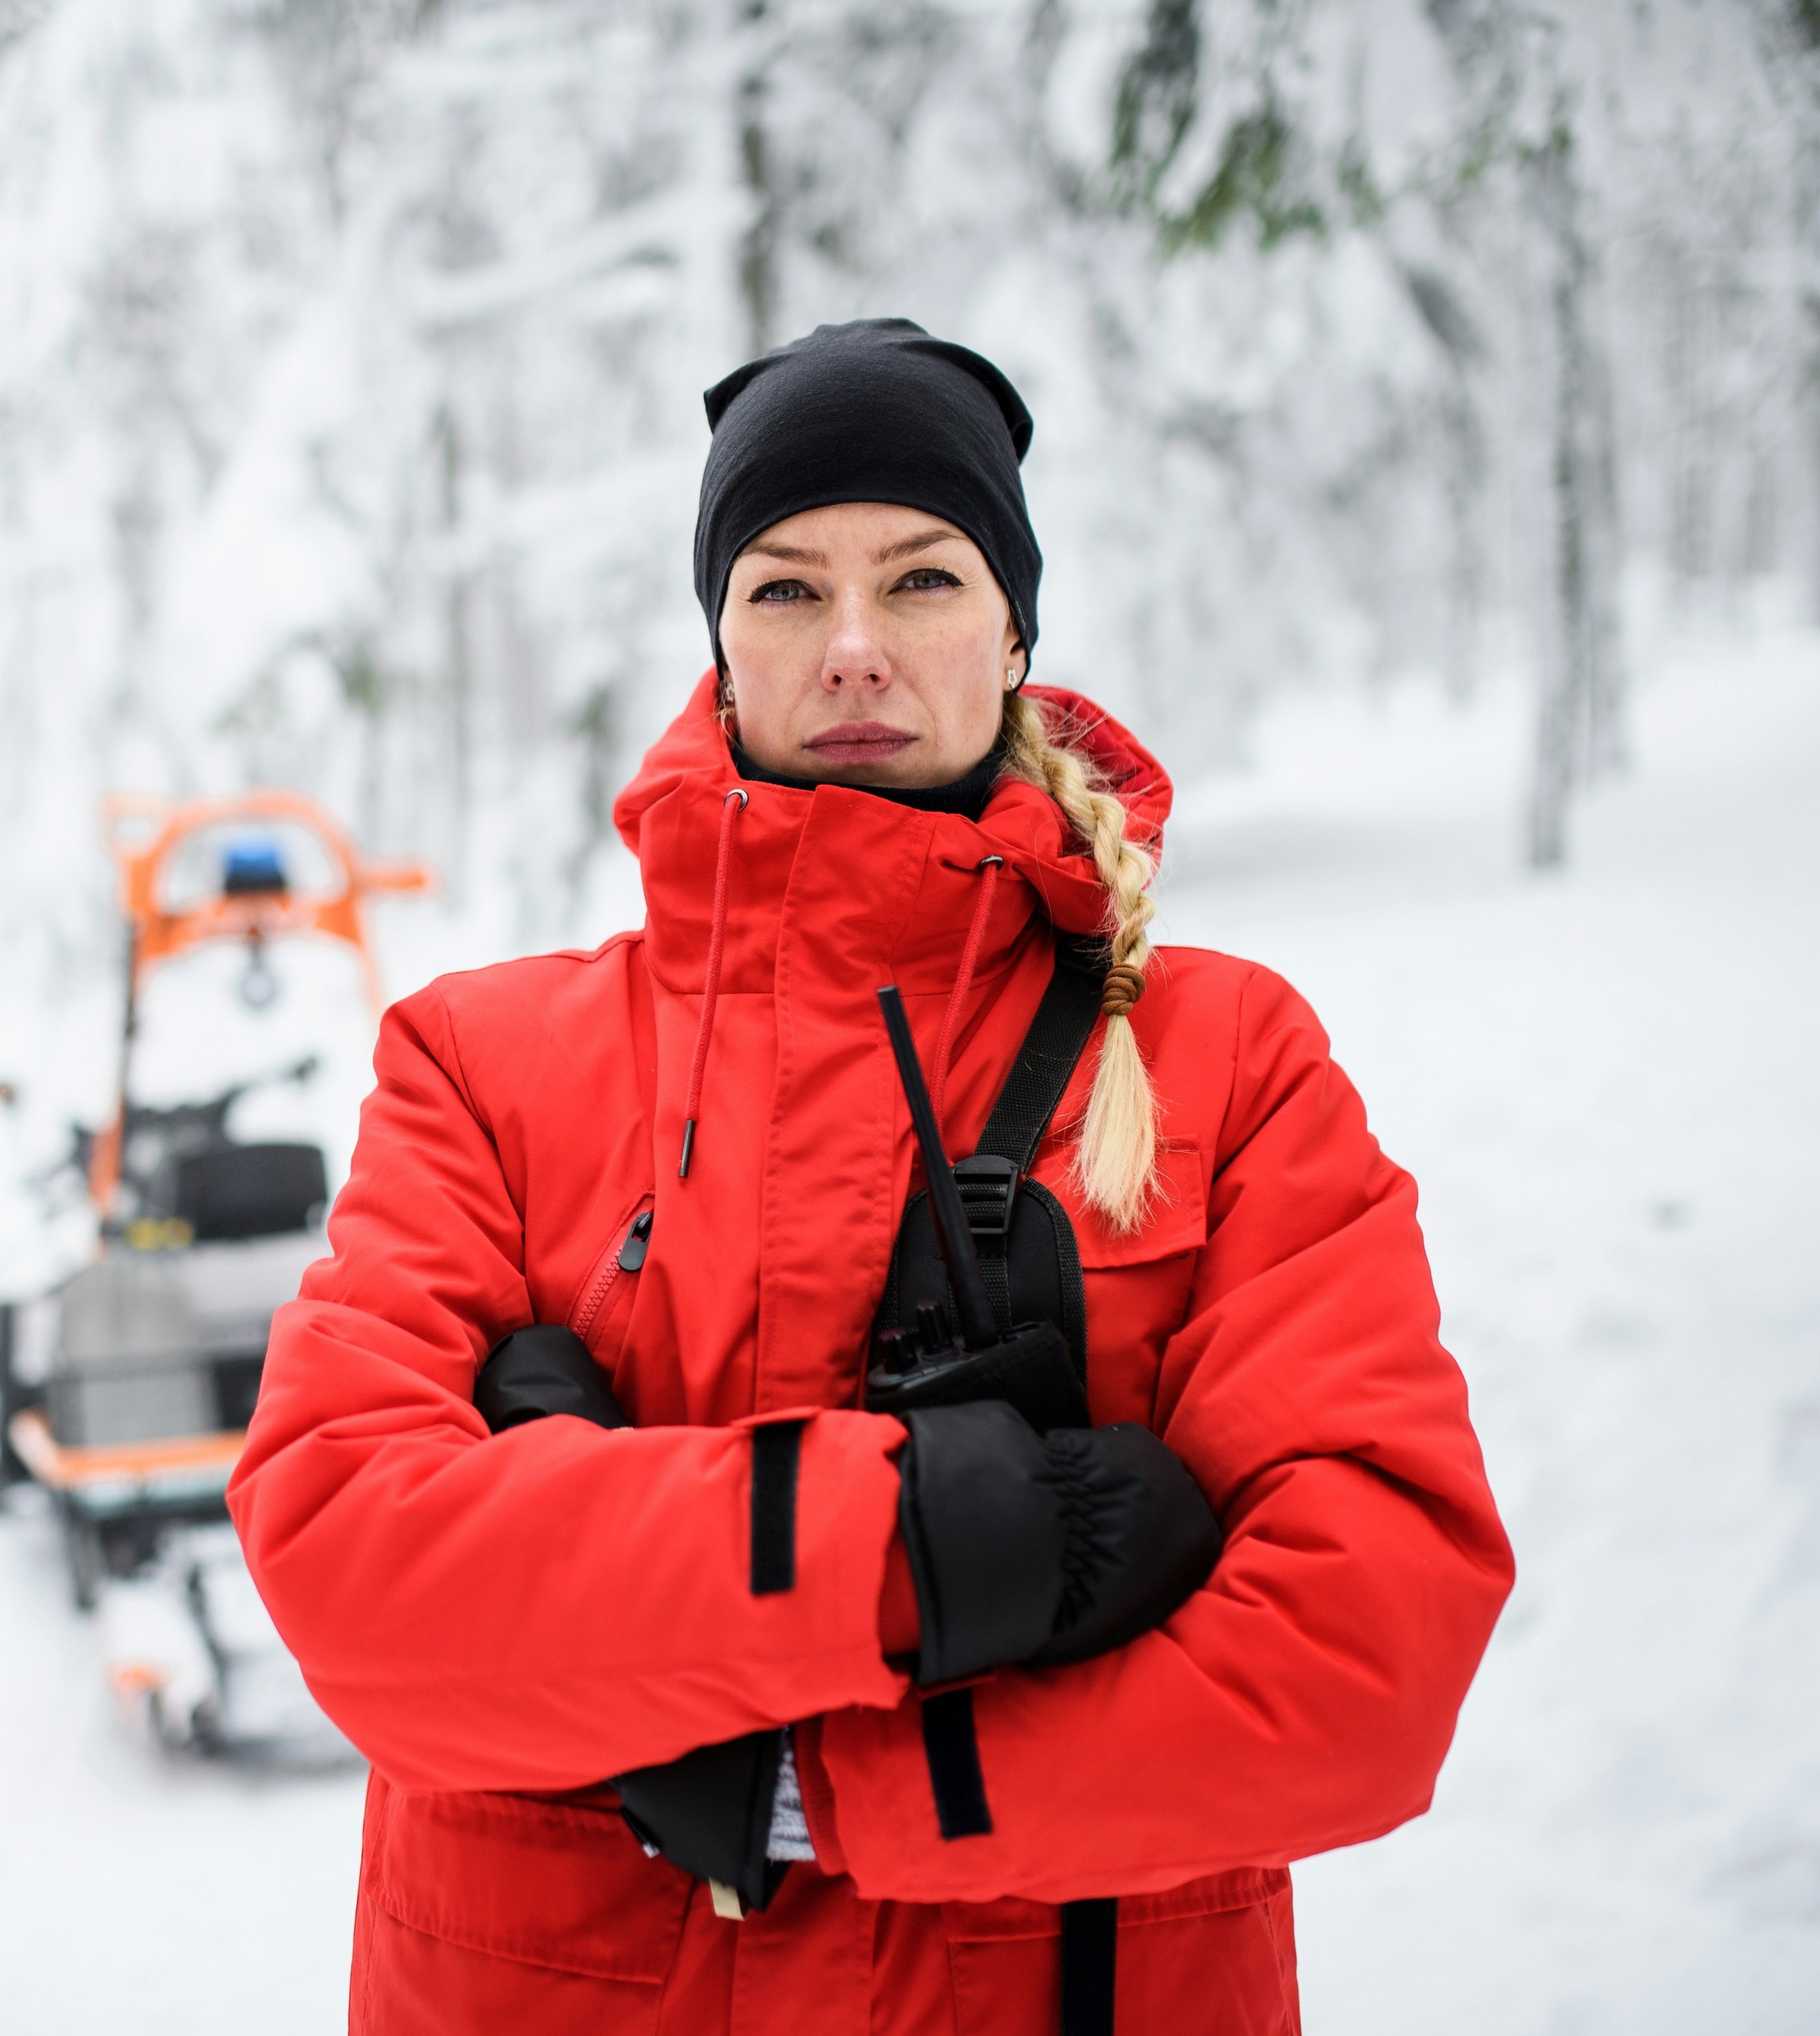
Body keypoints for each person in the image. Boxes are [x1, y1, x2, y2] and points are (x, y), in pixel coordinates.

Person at [230, 321, 1515, 2035]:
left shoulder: (1228, 1062)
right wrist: (941, 1541)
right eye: (782, 588)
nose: (852, 649)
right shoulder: (485, 1065)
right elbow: (359, 1576)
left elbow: (1369, 1651)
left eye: (920, 579)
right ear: (718, 642)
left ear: (1011, 631)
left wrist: (813, 1791)